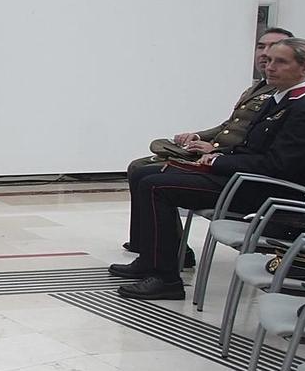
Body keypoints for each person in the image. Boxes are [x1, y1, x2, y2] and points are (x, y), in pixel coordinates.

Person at [114, 37, 305, 301]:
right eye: (269, 60)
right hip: (243, 179)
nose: (270, 66)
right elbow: (247, 146)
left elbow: (279, 166)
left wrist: (219, 161)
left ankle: (166, 279)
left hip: (262, 192)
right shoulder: (278, 99)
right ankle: (150, 260)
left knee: (156, 186)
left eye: (281, 62)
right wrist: (215, 154)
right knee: (146, 174)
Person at [119, 26, 292, 267]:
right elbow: (230, 126)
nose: (266, 56)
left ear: (301, 65)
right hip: (227, 160)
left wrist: (216, 154)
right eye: (262, 48)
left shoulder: (291, 100)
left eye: (275, 53)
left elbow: (269, 155)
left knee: (151, 177)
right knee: (140, 168)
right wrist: (201, 138)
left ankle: (165, 258)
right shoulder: (260, 89)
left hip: (242, 176)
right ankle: (148, 244)